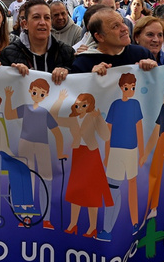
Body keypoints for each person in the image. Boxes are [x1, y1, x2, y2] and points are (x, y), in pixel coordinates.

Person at [3, 77, 66, 229]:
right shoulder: (25, 108)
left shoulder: (45, 113)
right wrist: (8, 98)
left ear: (46, 96)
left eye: (42, 94)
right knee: (26, 178)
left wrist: (59, 153)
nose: (38, 95)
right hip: (25, 144)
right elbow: (9, 115)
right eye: (36, 92)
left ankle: (47, 218)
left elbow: (58, 133)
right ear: (30, 91)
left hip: (42, 145)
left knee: (47, 179)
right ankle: (26, 217)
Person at [52, 91, 113, 238]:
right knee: (75, 190)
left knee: (92, 192)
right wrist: (60, 100)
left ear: (90, 105)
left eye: (84, 104)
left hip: (91, 155)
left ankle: (92, 227)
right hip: (78, 155)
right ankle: (73, 224)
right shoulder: (72, 119)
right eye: (77, 104)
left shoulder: (93, 117)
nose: (80, 107)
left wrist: (98, 118)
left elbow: (106, 136)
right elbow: (53, 118)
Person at [99, 73, 145, 241]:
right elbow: (108, 130)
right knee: (112, 188)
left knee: (132, 185)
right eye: (127, 87)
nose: (130, 90)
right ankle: (107, 229)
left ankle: (135, 223)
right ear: (121, 87)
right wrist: (107, 153)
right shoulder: (115, 105)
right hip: (116, 150)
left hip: (131, 151)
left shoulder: (135, 104)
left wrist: (142, 152)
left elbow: (139, 128)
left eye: (133, 87)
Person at [0, 0, 74, 85]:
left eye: (47, 18)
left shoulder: (67, 52)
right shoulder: (8, 54)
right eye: (36, 17)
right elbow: (1, 87)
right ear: (25, 24)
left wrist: (67, 73)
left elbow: (79, 85)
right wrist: (12, 74)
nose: (42, 22)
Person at [72, 8, 158, 75]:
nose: (125, 28)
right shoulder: (83, 64)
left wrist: (153, 71)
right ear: (100, 37)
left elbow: (159, 89)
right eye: (115, 26)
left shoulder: (142, 54)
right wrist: (92, 78)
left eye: (123, 22)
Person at [141, 79, 164, 222]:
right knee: (151, 173)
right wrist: (146, 152)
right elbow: (156, 129)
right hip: (158, 139)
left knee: (157, 173)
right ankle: (151, 208)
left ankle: (153, 208)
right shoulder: (163, 107)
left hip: (162, 141)